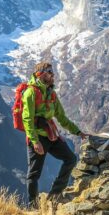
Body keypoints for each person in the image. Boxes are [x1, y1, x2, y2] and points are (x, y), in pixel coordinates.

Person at [22, 62, 87, 207]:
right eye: (50, 72)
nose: (53, 75)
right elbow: (27, 119)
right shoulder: (30, 93)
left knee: (70, 159)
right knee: (34, 174)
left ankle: (54, 195)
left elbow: (61, 117)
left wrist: (77, 131)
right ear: (41, 74)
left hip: (51, 136)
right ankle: (33, 207)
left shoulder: (51, 94)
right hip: (38, 138)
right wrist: (35, 141)